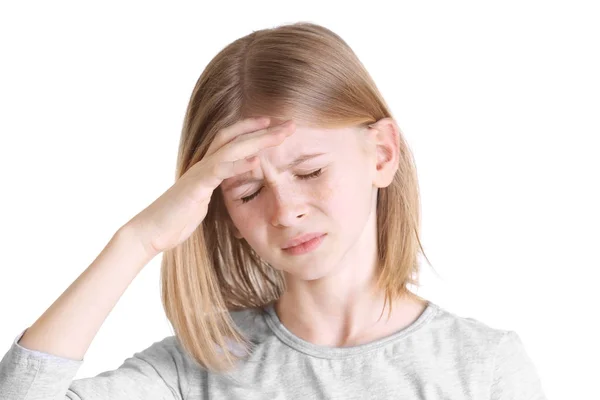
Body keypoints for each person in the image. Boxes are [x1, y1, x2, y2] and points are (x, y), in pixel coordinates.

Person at [0, 21, 546, 399]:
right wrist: (138, 239)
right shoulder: (196, 373)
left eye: (309, 172)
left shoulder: (482, 366)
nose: (285, 211)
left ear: (381, 153)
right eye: (246, 192)